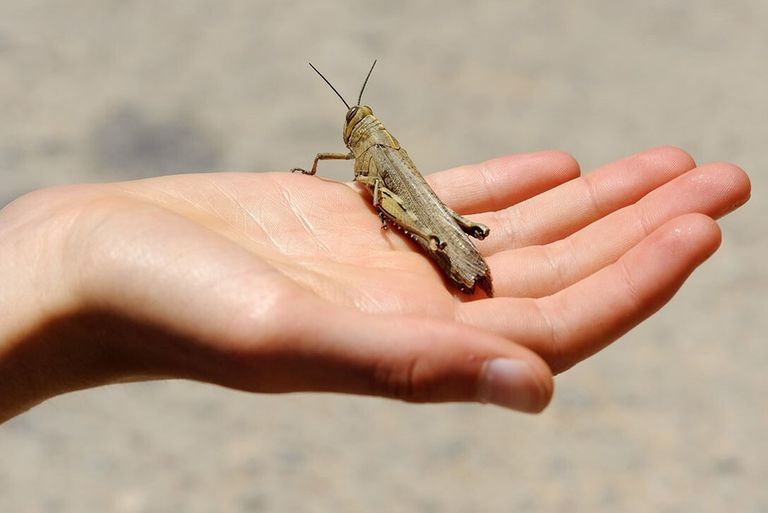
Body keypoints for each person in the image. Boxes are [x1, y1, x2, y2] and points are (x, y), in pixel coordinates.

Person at [0, 147, 750, 423]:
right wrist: (54, 260)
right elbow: (354, 171)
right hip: (419, 212)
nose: (355, 136)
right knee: (403, 206)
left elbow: (387, 191)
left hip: (425, 218)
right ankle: (459, 252)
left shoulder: (377, 155)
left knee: (417, 213)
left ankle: (460, 256)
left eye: (359, 126)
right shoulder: (360, 149)